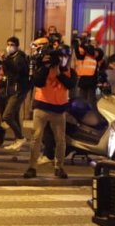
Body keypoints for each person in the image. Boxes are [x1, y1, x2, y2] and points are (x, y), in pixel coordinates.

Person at [22, 46, 77, 180]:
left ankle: (59, 167)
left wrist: (59, 73)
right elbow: (38, 82)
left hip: (59, 110)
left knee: (60, 140)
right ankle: (32, 167)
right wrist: (46, 66)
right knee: (36, 138)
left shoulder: (71, 72)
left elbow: (70, 84)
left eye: (64, 57)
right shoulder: (44, 68)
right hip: (42, 107)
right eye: (60, 57)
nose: (62, 60)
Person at [0, 36, 30, 151]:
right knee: (15, 116)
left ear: (17, 46)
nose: (9, 47)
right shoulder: (11, 57)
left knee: (7, 115)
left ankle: (21, 138)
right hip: (12, 89)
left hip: (19, 89)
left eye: (12, 45)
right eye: (8, 44)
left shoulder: (20, 57)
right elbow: (8, 74)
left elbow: (16, 70)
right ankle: (17, 140)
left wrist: (5, 60)